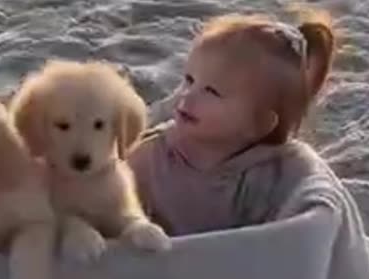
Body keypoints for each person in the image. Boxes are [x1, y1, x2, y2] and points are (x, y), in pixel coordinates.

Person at [128, 10, 341, 236]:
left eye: (212, 91)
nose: (186, 96)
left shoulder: (273, 176)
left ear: (259, 123)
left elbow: (308, 219)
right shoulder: (153, 156)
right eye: (189, 80)